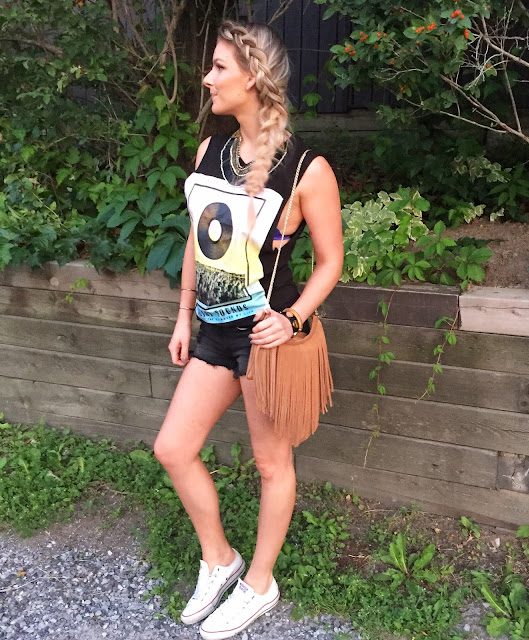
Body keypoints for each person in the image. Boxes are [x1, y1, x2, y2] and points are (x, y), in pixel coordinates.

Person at [153, 20, 343, 640]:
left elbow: (331, 262)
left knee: (270, 463)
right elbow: (197, 240)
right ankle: (220, 560)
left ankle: (260, 583)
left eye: (219, 68)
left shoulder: (307, 168)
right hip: (213, 330)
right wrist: (184, 314)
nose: (207, 78)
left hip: (266, 337)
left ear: (254, 80)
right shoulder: (211, 151)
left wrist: (292, 320)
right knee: (173, 449)